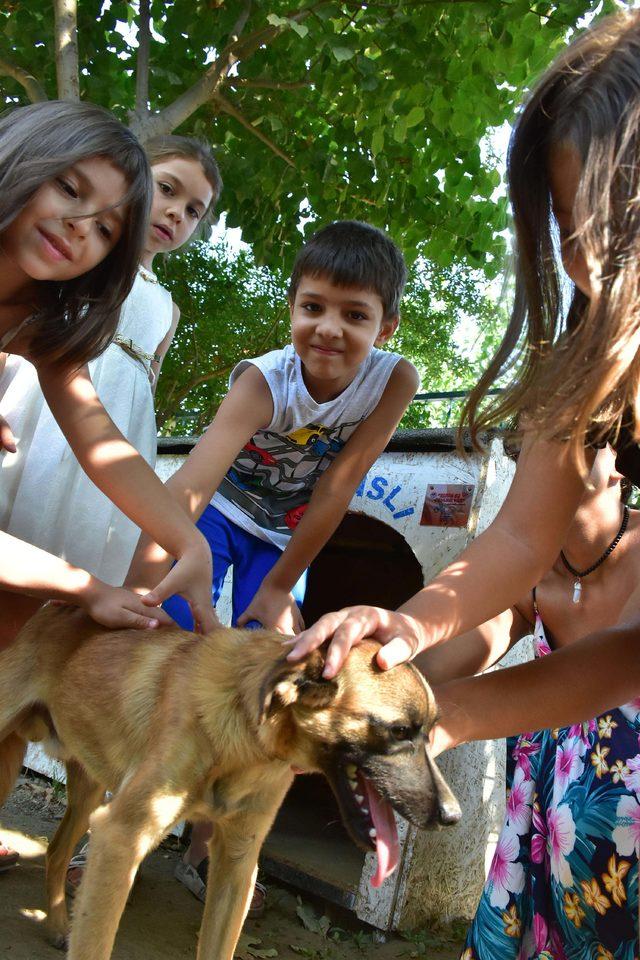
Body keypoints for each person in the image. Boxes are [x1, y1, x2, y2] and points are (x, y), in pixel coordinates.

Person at [287, 11, 640, 733]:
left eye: (623, 225)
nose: (595, 265)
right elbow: (517, 541)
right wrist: (406, 631)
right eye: (574, 232)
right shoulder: (589, 357)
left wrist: (429, 720)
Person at [126, 218, 420, 907]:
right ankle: (117, 832)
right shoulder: (265, 380)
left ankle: (206, 850)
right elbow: (189, 486)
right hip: (219, 515)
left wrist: (282, 584)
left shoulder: (393, 380)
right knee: (164, 650)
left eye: (355, 314)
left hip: (286, 535)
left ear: (387, 326)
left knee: (266, 678)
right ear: (290, 307)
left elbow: (339, 486)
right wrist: (140, 586)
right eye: (312, 307)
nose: (328, 328)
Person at [0, 101, 217, 869]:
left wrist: (185, 536)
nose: (79, 227)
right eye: (68, 189)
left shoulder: (41, 327)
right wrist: (88, 588)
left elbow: (103, 442)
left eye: (103, 230)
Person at [415, 447, 639, 958]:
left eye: (588, 432)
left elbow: (620, 657)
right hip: (539, 869)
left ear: (628, 451)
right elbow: (431, 667)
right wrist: (350, 687)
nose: (562, 441)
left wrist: (450, 717)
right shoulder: (528, 586)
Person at [0, 134, 222, 586]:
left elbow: (140, 392)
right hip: (37, 416)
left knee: (81, 535)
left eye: (194, 210)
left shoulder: (167, 307)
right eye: (167, 189)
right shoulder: (71, 272)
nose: (178, 212)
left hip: (115, 424)